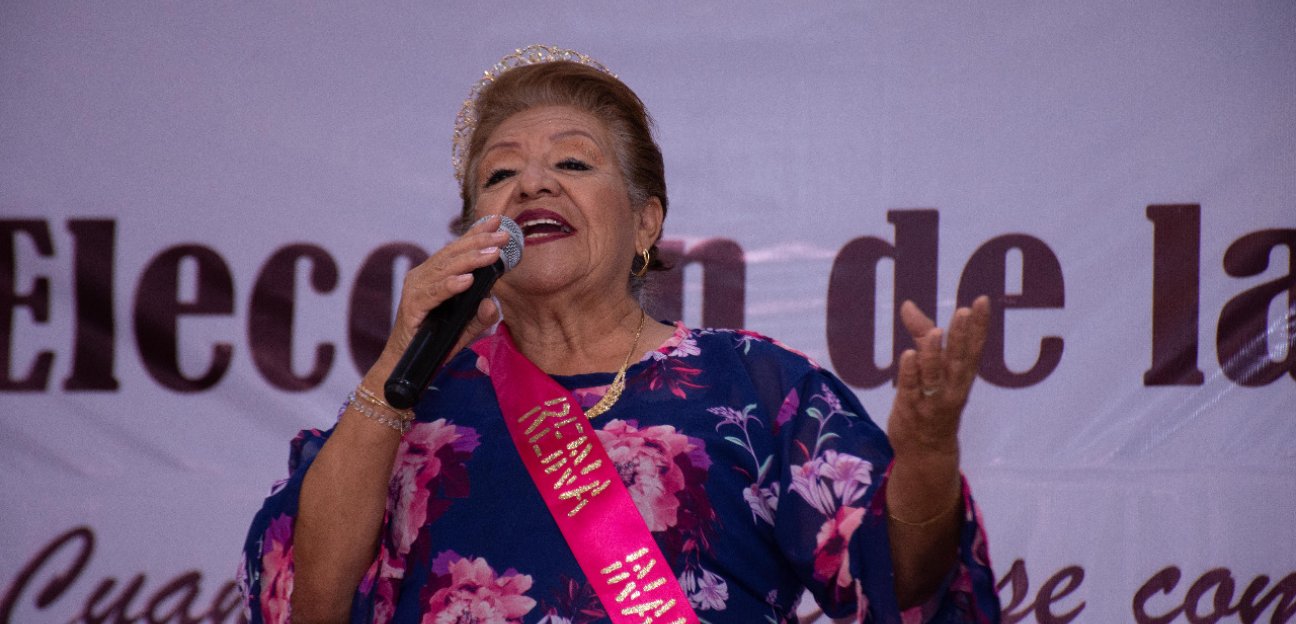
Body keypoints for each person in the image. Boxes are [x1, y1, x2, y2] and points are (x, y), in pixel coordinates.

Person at [239, 45, 1000, 623]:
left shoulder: (751, 387)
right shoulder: (413, 412)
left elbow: (905, 585)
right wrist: (392, 373)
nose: (532, 184)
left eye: (572, 161)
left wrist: (929, 455)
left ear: (645, 221)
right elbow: (303, 601)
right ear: (475, 231)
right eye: (500, 176)